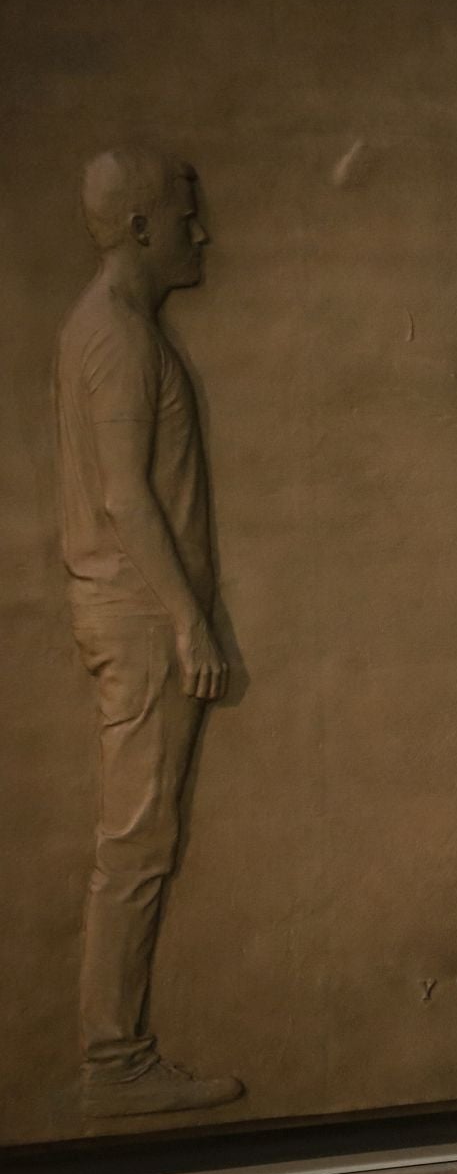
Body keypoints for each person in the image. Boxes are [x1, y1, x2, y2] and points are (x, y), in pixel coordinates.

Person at [54, 149, 245, 1117]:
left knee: (142, 834)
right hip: (139, 618)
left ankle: (113, 1051)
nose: (199, 234)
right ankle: (113, 1059)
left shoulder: (110, 328)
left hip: (129, 611)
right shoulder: (119, 336)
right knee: (137, 838)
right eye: (184, 217)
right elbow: (127, 496)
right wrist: (189, 621)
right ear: (138, 229)